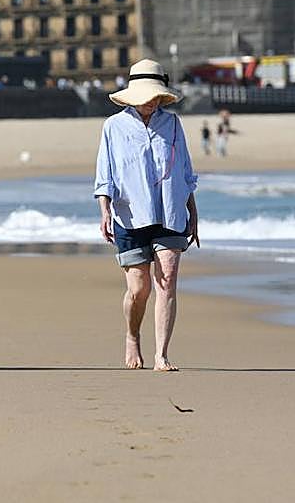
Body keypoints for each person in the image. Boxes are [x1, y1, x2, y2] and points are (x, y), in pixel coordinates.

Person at [95, 59, 199, 372]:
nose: (152, 100)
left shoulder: (173, 124)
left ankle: (162, 356)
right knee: (139, 289)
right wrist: (104, 210)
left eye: (157, 95)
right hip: (129, 215)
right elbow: (105, 173)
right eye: (147, 95)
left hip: (170, 212)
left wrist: (193, 213)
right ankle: (132, 336)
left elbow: (185, 172)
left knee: (167, 282)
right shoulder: (113, 126)